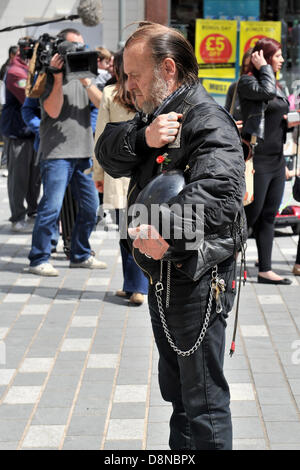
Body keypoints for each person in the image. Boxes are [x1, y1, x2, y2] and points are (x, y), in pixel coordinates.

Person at [95, 22, 246, 450]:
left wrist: (164, 230)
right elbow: (106, 150)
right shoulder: (155, 114)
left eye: (134, 75)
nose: (128, 86)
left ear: (168, 69)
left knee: (204, 402)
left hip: (197, 275)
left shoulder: (206, 118)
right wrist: (144, 137)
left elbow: (220, 190)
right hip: (164, 274)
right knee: (178, 396)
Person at [28, 28, 107, 276]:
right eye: (73, 47)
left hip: (83, 152)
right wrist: (58, 76)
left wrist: (85, 79)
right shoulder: (47, 77)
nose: (78, 52)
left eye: (81, 47)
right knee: (51, 208)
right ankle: (39, 257)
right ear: (60, 48)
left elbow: (102, 105)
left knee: (91, 206)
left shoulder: (87, 75)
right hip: (57, 154)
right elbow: (52, 111)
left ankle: (80, 254)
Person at [238, 37, 295, 285]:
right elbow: (267, 93)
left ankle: (265, 269)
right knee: (251, 214)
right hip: (257, 159)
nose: (282, 60)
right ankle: (227, 262)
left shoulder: (276, 83)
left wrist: (288, 121)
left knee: (269, 215)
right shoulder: (248, 81)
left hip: (276, 159)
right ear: (265, 56)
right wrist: (263, 69)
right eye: (278, 55)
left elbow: (275, 110)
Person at [93, 49, 148, 305]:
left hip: (117, 171)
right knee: (134, 231)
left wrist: (98, 173)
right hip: (143, 170)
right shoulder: (147, 92)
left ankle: (138, 287)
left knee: (128, 233)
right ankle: (132, 285)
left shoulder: (109, 93)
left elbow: (101, 137)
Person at [0, 37, 41, 232]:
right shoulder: (15, 71)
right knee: (19, 178)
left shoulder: (30, 69)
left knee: (35, 178)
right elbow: (30, 96)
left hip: (32, 133)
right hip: (18, 133)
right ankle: (17, 217)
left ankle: (33, 212)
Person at [225, 48, 253, 122]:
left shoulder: (267, 90)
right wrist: (234, 125)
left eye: (251, 66)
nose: (249, 70)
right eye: (246, 66)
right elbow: (225, 116)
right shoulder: (235, 87)